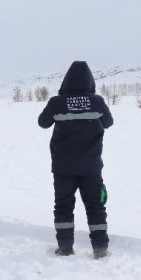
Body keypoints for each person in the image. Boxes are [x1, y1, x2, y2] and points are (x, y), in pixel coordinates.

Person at [38, 61, 113, 259]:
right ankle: (100, 249)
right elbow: (109, 123)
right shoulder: (97, 102)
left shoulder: (57, 102)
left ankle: (65, 248)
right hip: (91, 167)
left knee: (63, 206)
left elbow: (42, 123)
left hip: (63, 168)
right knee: (97, 205)